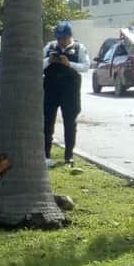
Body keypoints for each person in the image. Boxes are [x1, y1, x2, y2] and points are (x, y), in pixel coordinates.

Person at [42, 21, 89, 167]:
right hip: (50, 90)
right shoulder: (50, 47)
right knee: (47, 123)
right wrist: (49, 60)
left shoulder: (79, 48)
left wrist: (68, 63)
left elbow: (85, 66)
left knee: (70, 123)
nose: (61, 42)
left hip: (70, 92)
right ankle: (46, 155)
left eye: (64, 38)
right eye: (59, 38)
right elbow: (37, 64)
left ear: (70, 36)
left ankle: (69, 156)